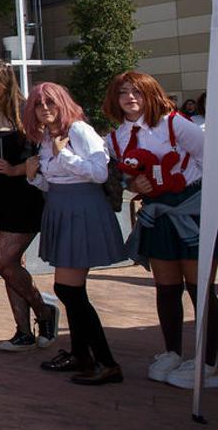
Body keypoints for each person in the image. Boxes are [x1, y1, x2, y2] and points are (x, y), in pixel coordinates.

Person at [103, 71, 211, 387]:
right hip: (157, 212)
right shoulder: (116, 138)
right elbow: (127, 176)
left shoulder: (175, 123)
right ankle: (172, 352)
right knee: (166, 287)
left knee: (199, 286)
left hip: (191, 209)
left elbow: (209, 159)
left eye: (137, 91)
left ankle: (209, 361)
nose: (130, 98)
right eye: (123, 92)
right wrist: (134, 183)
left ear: (151, 94)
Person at [24, 82, 125, 385]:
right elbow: (55, 181)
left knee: (69, 290)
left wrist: (63, 155)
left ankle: (107, 363)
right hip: (61, 207)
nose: (45, 109)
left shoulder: (78, 130)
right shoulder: (45, 136)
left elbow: (99, 172)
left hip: (82, 211)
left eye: (50, 103)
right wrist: (33, 178)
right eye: (39, 105)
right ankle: (82, 355)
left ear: (63, 103)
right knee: (72, 291)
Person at [0, 61, 58, 352]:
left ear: (9, 81)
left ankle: (44, 312)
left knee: (2, 260)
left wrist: (14, 170)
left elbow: (41, 159)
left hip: (24, 197)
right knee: (11, 267)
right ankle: (23, 331)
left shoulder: (27, 110)